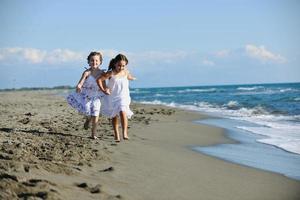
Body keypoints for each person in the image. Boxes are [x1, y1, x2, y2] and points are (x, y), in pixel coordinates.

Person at [67, 51, 106, 139]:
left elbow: (104, 86)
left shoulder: (102, 74)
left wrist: (105, 90)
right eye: (92, 60)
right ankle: (88, 119)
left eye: (96, 60)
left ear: (100, 62)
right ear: (88, 62)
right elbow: (81, 82)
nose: (94, 62)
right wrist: (79, 86)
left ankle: (93, 134)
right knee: (87, 112)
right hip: (86, 96)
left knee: (96, 114)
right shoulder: (86, 73)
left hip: (97, 97)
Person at [97, 54, 136, 142]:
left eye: (123, 65)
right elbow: (99, 80)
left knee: (123, 111)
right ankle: (116, 134)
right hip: (112, 96)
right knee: (114, 116)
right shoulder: (111, 73)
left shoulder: (126, 71)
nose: (121, 67)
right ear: (115, 64)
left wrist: (132, 78)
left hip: (124, 96)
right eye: (119, 65)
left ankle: (125, 133)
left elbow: (128, 77)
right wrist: (103, 90)